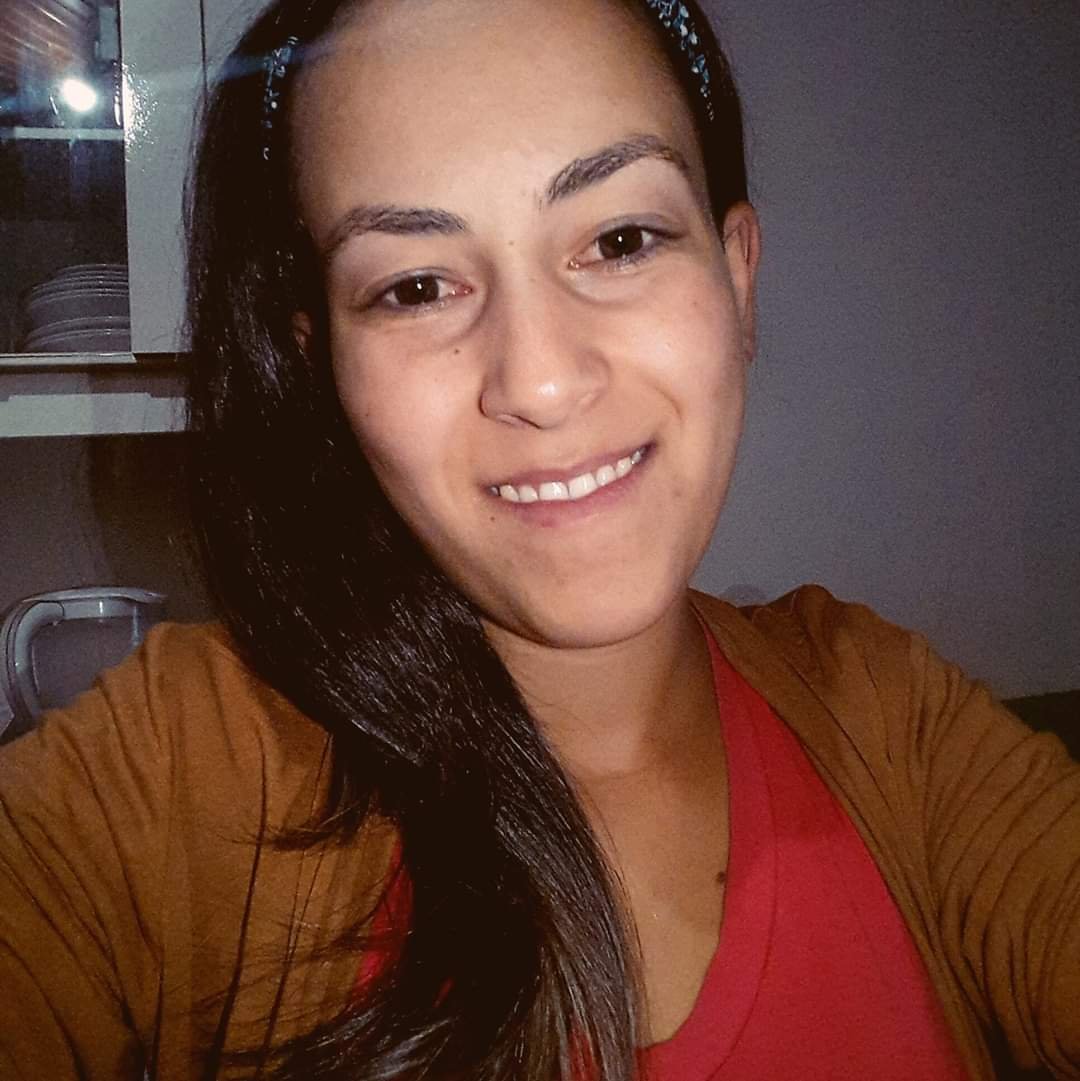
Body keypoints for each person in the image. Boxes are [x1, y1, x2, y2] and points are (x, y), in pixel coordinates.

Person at [1, 0, 1078, 1078]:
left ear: (738, 277)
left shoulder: (887, 716)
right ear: (323, 366)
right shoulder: (181, 769)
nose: (544, 381)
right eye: (416, 287)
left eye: (621, 240)